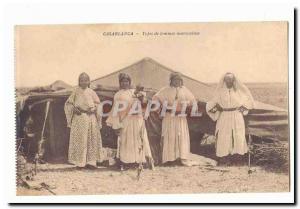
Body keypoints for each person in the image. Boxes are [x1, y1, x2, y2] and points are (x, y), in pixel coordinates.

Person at [106, 73, 153, 170]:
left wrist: (141, 97)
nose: (125, 83)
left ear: (129, 82)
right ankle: (126, 163)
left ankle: (140, 162)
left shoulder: (135, 92)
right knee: (126, 142)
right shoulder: (118, 95)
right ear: (120, 83)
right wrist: (116, 125)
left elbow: (145, 103)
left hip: (137, 120)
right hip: (126, 120)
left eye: (126, 81)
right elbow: (116, 110)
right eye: (123, 81)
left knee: (139, 140)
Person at [206, 72, 255, 163]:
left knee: (238, 135)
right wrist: (218, 108)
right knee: (223, 135)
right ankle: (224, 156)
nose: (229, 81)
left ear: (234, 80)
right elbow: (211, 104)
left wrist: (243, 108)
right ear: (224, 80)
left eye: (231, 79)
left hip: (237, 115)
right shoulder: (220, 91)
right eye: (227, 79)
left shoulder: (239, 91)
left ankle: (238, 156)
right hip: (224, 115)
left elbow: (249, 100)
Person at [152, 72, 196, 165]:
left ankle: (181, 158)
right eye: (175, 79)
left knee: (181, 136)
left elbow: (193, 101)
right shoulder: (165, 90)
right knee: (170, 136)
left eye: (179, 80)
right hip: (169, 117)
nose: (177, 82)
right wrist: (160, 109)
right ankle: (169, 159)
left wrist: (187, 109)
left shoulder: (185, 90)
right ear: (171, 80)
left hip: (181, 117)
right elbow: (155, 98)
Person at [64, 72, 103, 169]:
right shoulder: (75, 91)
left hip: (90, 118)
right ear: (79, 81)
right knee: (80, 140)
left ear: (89, 81)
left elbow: (98, 104)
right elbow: (68, 104)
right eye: (81, 80)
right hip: (79, 118)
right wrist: (74, 109)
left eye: (86, 80)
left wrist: (94, 109)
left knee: (91, 139)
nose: (84, 82)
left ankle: (91, 162)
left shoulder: (91, 92)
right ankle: (80, 162)